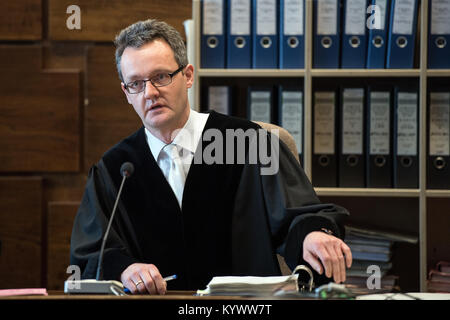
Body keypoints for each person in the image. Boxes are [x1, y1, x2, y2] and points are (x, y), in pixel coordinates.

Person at [70, 19, 352, 295]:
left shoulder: (247, 144)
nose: (150, 93)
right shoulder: (115, 169)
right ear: (125, 92)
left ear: (188, 75)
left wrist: (313, 234)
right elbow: (91, 250)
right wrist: (125, 268)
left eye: (161, 77)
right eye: (136, 83)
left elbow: (298, 215)